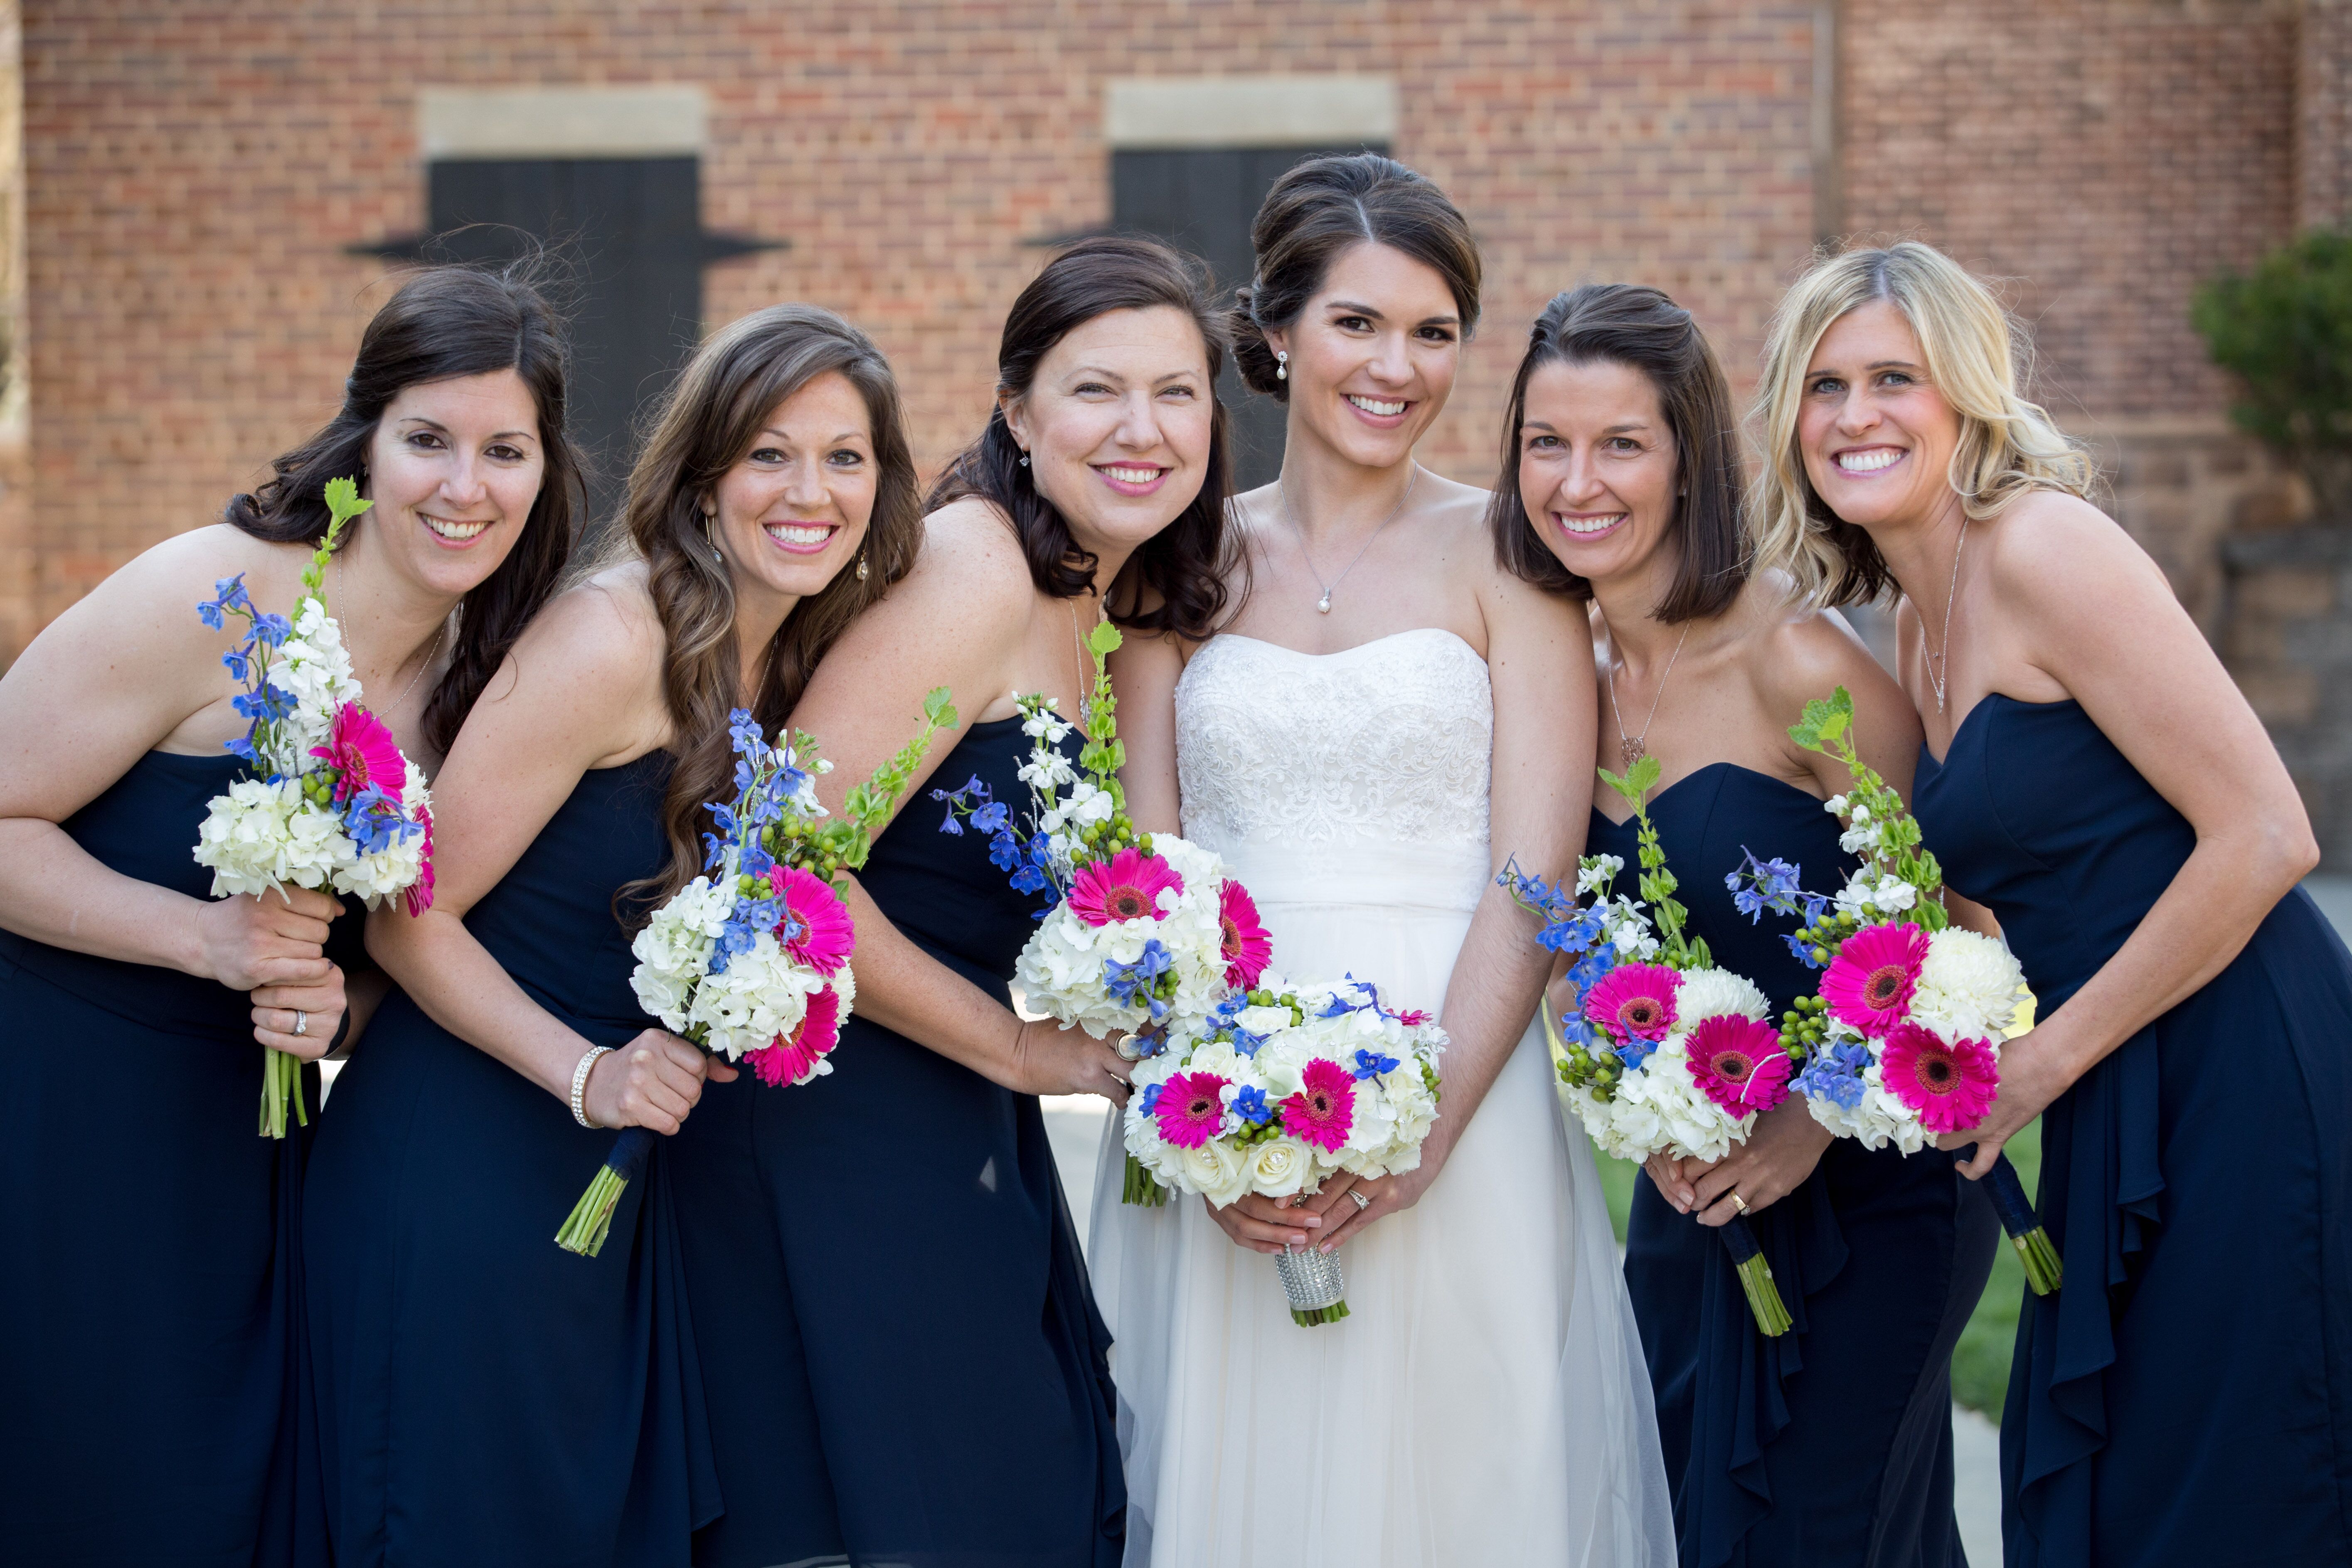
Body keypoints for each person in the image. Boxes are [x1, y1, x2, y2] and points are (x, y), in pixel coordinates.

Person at [1095, 153, 1673, 1566]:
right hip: (1215, 1083)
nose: (1396, 367)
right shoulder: (1180, 564)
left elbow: (1531, 879)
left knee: (1460, 1484)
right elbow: (1147, 878)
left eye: (1431, 332)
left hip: (1448, 1082)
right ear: (1277, 331)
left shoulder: (1509, 553)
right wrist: (1204, 1127)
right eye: (1357, 323)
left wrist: (1416, 1136)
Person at [1753, 239, 2352, 1567]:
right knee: (2132, 1472)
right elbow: (1967, 910)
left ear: (1962, 393)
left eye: (1892, 378)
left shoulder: (2041, 546)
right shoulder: (1910, 620)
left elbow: (2263, 834)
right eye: (1824, 384)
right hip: (2105, 1081)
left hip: (2236, 1058)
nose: (1855, 415)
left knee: (2242, 1470)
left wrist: (2042, 1061)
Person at [303, 303, 916, 1565]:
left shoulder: (794, 658)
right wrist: (588, 1075)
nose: (810, 491)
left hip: (615, 1191)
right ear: (701, 476)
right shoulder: (611, 633)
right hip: (469, 1163)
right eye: (769, 453)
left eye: (845, 457)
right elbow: (408, 919)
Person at [0, 261, 583, 1566]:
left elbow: (384, 948)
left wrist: (345, 1002)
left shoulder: (481, 675)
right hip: (64, 1115)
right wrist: (202, 939)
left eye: (505, 449)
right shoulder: (213, 596)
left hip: (251, 1149)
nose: (464, 487)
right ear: (362, 442)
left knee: (224, 1493)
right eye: (427, 440)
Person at [668, 234, 1226, 1568]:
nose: (1140, 430)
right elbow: (783, 863)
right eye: (1096, 391)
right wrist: (1025, 1050)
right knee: (929, 1505)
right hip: (836, 1119)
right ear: (1018, 412)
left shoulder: (1105, 595)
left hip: (943, 1107)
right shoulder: (974, 568)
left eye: (1178, 393)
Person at [1498, 281, 2000, 1566]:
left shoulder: (1796, 657)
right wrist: (1634, 1102)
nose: (1578, 483)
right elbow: (1569, 946)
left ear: (1688, 459)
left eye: (1621, 443)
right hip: (1692, 1209)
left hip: (1871, 1202)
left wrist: (1807, 1116)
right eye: (1545, 444)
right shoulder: (1553, 677)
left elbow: (1965, 936)